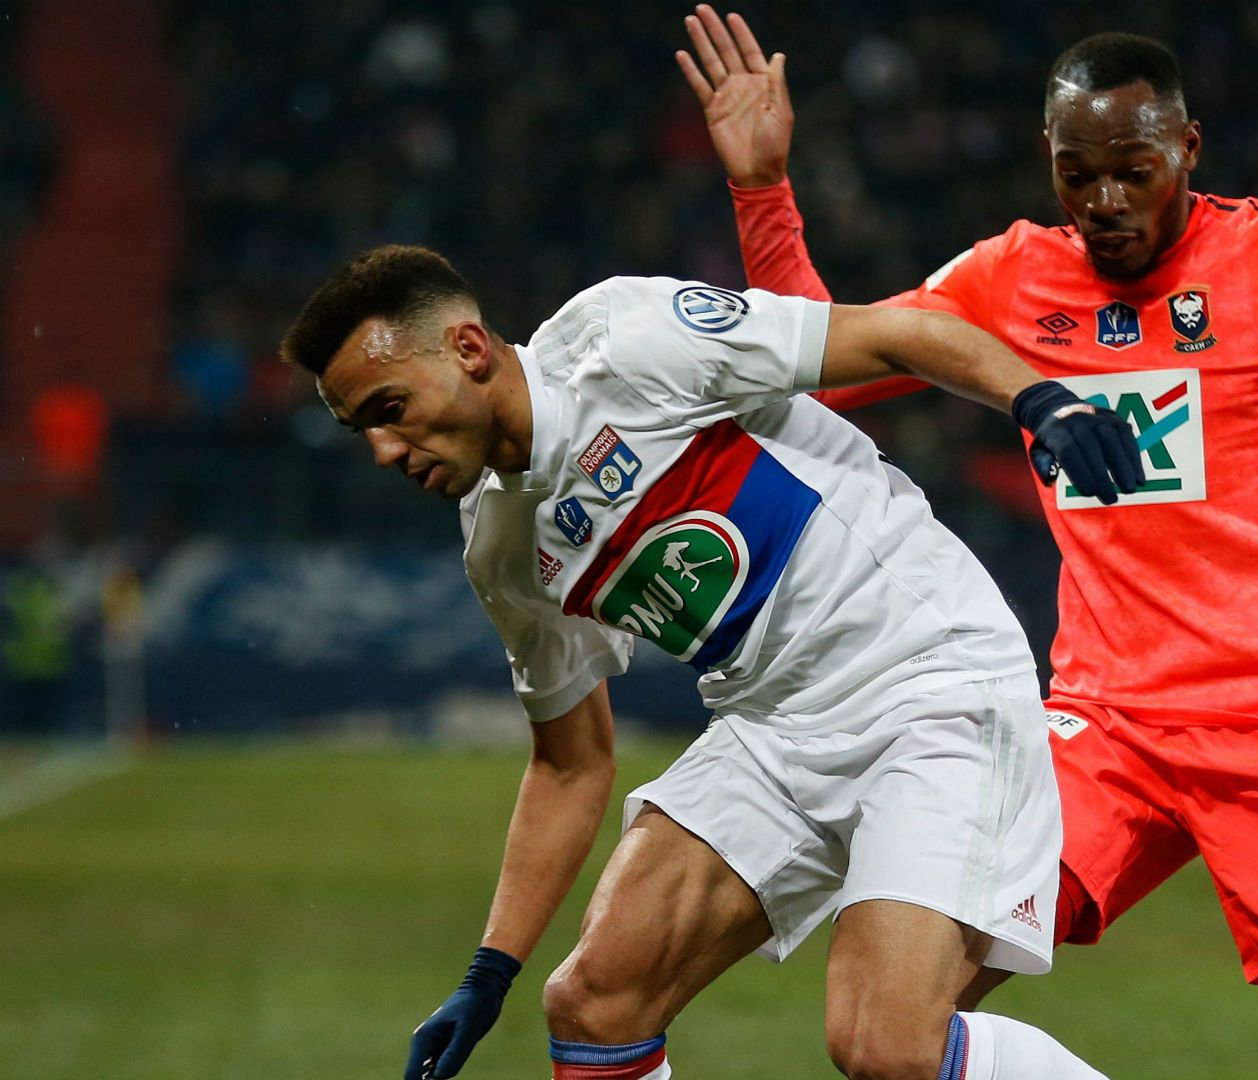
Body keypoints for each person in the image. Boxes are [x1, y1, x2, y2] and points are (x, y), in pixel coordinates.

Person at [681, 10, 1258, 1079]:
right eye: (1076, 174)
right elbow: (822, 363)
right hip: (1102, 729)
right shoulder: (1013, 278)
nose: (1103, 202)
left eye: (1133, 171)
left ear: (1186, 151)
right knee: (888, 1030)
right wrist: (763, 192)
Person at [281, 244, 1145, 1080]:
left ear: (469, 350)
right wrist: (488, 973)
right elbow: (570, 764)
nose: (385, 452)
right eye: (363, 430)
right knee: (593, 1005)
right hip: (772, 723)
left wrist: (1040, 400)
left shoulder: (623, 343)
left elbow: (893, 334)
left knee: (888, 1049)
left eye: (389, 409)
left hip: (924, 673)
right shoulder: (501, 548)